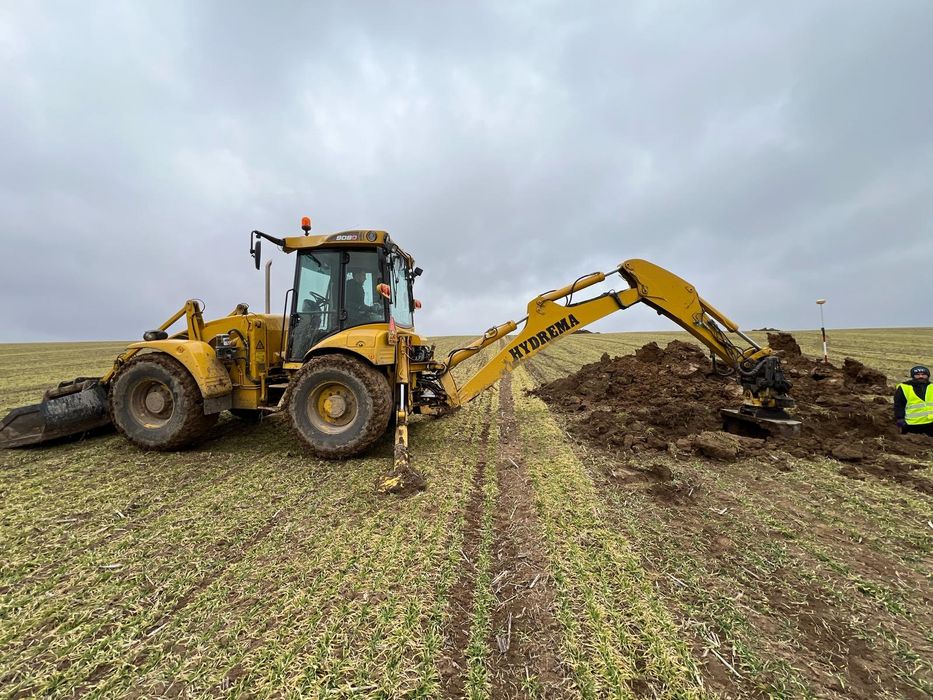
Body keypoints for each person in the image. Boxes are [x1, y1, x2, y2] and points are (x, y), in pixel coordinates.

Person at [894, 365, 933, 436]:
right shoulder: (904, 387)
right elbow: (899, 405)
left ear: (928, 376)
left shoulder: (932, 387)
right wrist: (900, 418)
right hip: (911, 425)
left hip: (930, 424)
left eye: (923, 374)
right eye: (917, 375)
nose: (921, 376)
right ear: (912, 376)